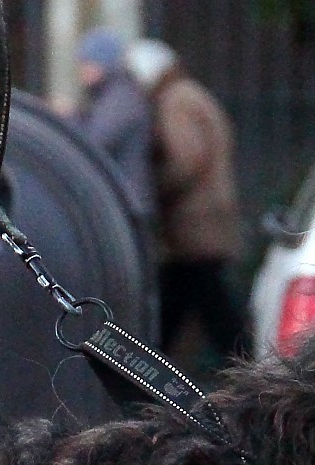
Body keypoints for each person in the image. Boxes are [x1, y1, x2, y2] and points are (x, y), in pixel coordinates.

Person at [131, 39, 249, 363]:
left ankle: (243, 363)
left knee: (207, 301)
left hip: (194, 221)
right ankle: (152, 366)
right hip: (207, 218)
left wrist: (160, 189)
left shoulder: (175, 102)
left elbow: (187, 158)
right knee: (193, 298)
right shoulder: (192, 94)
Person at [70, 27, 154, 220]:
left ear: (103, 64)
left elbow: (95, 141)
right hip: (124, 201)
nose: (81, 70)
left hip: (129, 205)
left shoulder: (120, 98)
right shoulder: (111, 96)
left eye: (87, 63)